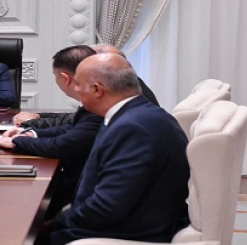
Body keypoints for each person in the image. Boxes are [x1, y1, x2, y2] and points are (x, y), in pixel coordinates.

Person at [50, 53, 189, 244]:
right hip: (131, 220)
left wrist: (50, 223)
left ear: (97, 89)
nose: (76, 90)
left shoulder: (133, 129)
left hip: (131, 232)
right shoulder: (139, 115)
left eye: (79, 84)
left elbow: (105, 208)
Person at [0, 45, 102, 217]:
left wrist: (18, 141)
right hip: (85, 183)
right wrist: (31, 133)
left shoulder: (99, 106)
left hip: (87, 193)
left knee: (17, 201)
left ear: (65, 78)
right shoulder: (101, 103)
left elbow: (63, 145)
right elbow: (73, 127)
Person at [14, 43, 159, 128]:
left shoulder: (113, 95)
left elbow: (75, 131)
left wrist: (32, 123)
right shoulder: (127, 87)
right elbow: (77, 119)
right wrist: (38, 117)